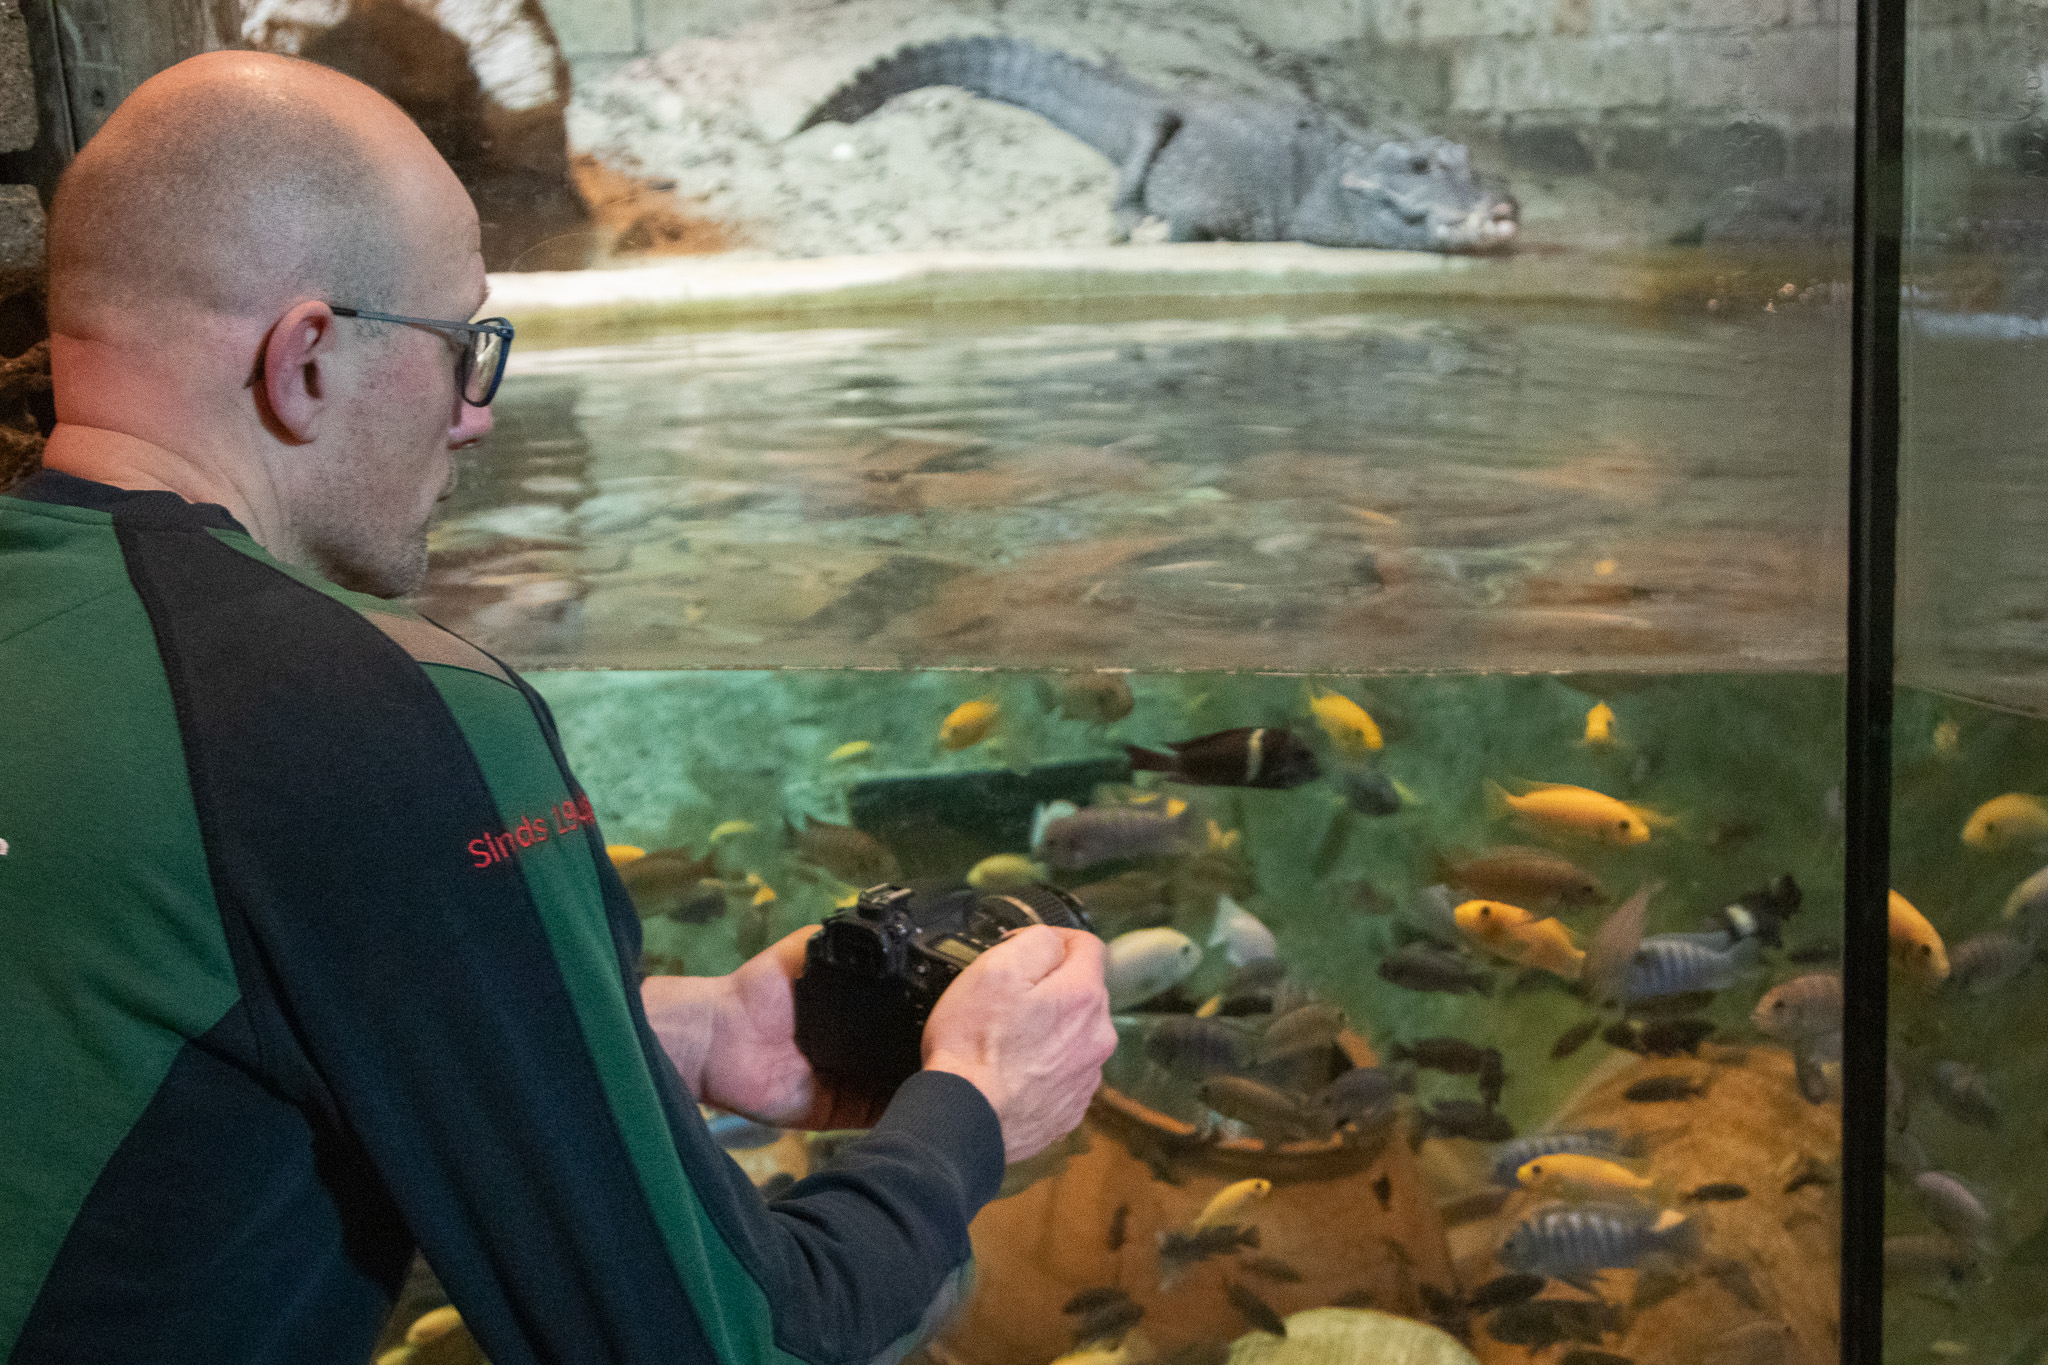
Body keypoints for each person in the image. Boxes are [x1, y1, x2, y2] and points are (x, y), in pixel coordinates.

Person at [0, 51, 1116, 1365]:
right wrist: (971, 1106)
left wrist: (671, 1032)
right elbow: (727, 1347)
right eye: (469, 348)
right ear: (304, 357)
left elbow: (179, 1038)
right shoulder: (372, 713)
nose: (476, 420)